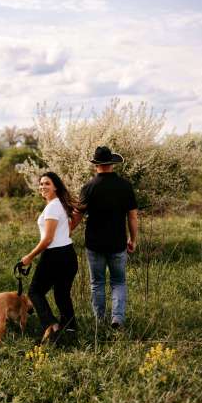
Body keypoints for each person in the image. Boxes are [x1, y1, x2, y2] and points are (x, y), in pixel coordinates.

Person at [71, 146, 138, 329]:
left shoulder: (89, 187)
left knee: (97, 283)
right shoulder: (125, 186)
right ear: (112, 164)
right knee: (118, 282)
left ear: (96, 166)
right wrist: (133, 240)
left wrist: (64, 232)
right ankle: (117, 318)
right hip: (117, 243)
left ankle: (99, 321)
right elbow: (132, 216)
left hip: (94, 244)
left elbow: (77, 216)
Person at [21, 172, 78, 341]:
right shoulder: (60, 204)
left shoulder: (53, 206)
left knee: (35, 291)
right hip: (68, 253)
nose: (43, 187)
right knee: (61, 294)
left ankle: (51, 325)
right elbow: (67, 227)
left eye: (47, 183)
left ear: (55, 187)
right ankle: (70, 329)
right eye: (41, 184)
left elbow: (48, 238)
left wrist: (30, 256)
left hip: (55, 254)